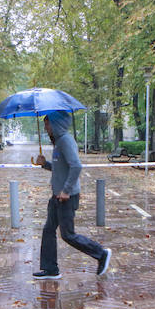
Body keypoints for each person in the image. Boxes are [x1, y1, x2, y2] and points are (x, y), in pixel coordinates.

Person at [33, 111, 111, 279]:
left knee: (68, 235)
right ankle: (50, 269)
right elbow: (61, 168)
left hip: (66, 198)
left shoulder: (66, 141)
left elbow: (76, 167)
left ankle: (100, 253)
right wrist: (45, 164)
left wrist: (66, 191)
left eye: (47, 124)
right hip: (56, 196)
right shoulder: (59, 142)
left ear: (56, 124)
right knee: (48, 230)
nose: (46, 128)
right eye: (45, 124)